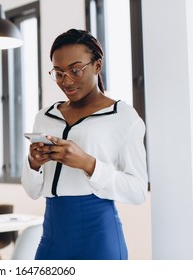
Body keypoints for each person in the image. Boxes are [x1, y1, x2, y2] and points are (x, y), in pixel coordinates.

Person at [21, 29, 148, 260]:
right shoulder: (44, 116)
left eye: (75, 70)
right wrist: (33, 163)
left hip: (98, 235)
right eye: (58, 73)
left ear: (97, 66)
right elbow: (32, 191)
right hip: (52, 235)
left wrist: (89, 164)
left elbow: (138, 191)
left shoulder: (123, 116)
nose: (66, 80)